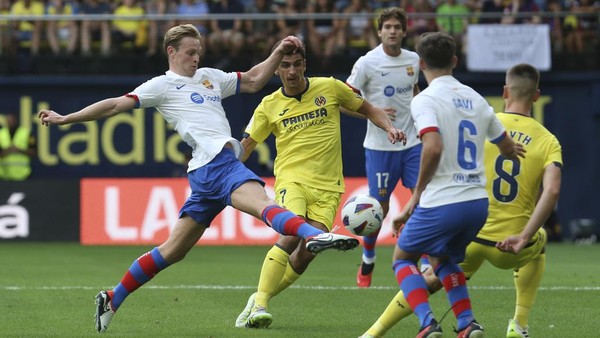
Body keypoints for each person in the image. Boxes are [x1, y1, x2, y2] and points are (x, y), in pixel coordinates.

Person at [37, 24, 361, 333]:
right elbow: (113, 106)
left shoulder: (209, 77)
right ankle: (312, 234)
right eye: (191, 52)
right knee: (263, 203)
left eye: (199, 52)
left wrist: (278, 51)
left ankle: (113, 297)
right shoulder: (160, 86)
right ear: (172, 52)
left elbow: (252, 80)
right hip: (216, 163)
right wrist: (67, 118)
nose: (196, 58)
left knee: (172, 251)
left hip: (205, 171)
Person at [360, 63, 561, 338]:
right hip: (511, 243)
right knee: (540, 243)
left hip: (472, 234)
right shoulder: (549, 140)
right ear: (536, 95)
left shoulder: (482, 123)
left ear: (505, 91)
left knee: (428, 276)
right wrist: (525, 236)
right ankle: (518, 323)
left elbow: (442, 161)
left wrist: (413, 204)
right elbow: (551, 192)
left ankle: (375, 331)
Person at [234, 41, 407, 329]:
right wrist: (228, 173)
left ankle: (258, 298)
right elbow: (248, 144)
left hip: (329, 187)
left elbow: (367, 108)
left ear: (305, 65)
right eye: (285, 66)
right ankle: (262, 305)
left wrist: (389, 128)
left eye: (297, 64)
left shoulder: (329, 87)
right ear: (277, 70)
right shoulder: (268, 106)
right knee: (292, 231)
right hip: (293, 180)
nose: (292, 71)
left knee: (305, 254)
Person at [345, 7, 423, 289]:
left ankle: (422, 258)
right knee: (378, 207)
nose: (392, 31)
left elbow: (413, 90)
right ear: (379, 31)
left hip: (412, 142)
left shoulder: (413, 59)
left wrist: (420, 111)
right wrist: (372, 112)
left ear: (404, 31)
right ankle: (368, 257)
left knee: (420, 198)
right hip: (380, 147)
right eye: (387, 26)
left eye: (397, 27)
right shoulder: (367, 63)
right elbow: (345, 101)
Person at [0, 112, 36, 180]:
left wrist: (19, 150)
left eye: (11, 120)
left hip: (23, 175)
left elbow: (33, 152)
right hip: (4, 175)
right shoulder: (1, 133)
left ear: (16, 120)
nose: (10, 122)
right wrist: (8, 150)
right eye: (8, 120)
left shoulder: (27, 133)